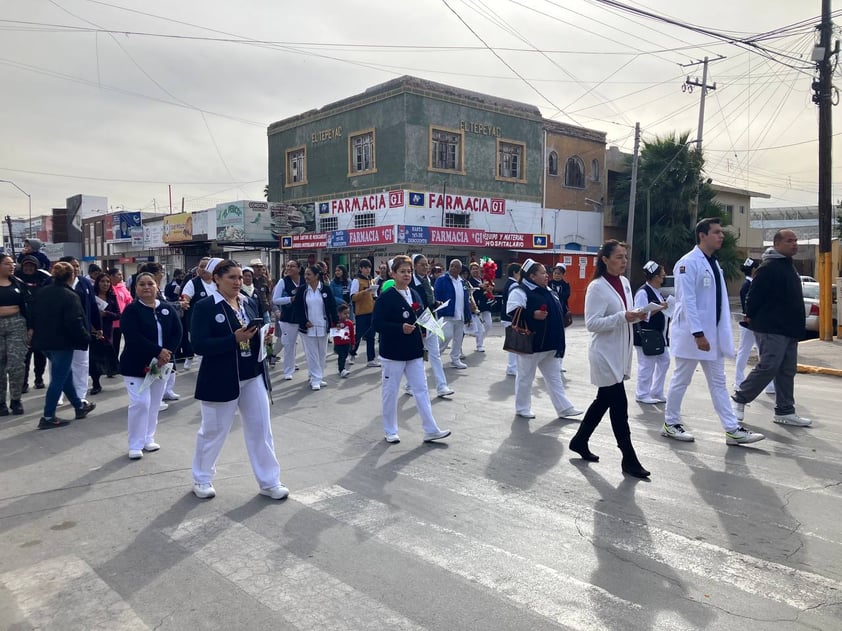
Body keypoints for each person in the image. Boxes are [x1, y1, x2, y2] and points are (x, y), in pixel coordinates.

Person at [189, 259, 288, 500]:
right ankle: (202, 478)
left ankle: (269, 481)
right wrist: (232, 339)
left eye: (240, 277)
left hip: (252, 373)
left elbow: (253, 333)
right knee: (213, 431)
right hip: (221, 377)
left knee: (261, 429)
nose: (237, 282)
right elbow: (199, 344)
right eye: (231, 277)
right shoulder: (206, 306)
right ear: (217, 279)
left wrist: (262, 338)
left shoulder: (248, 302)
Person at [663, 218, 764, 445]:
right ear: (702, 235)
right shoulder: (687, 263)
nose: (721, 236)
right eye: (717, 232)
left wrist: (713, 333)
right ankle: (670, 423)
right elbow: (687, 301)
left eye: (721, 232)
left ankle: (732, 429)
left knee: (718, 382)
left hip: (712, 336)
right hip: (693, 336)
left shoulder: (713, 263)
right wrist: (698, 334)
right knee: (682, 379)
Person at [567, 241, 651, 478]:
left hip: (620, 353)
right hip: (604, 355)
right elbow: (592, 323)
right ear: (605, 259)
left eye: (625, 257)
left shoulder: (624, 283)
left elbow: (626, 316)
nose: (624, 261)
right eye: (618, 257)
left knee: (603, 401)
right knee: (619, 406)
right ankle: (629, 457)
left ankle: (580, 440)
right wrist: (623, 316)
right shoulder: (597, 287)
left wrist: (642, 314)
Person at [732, 229, 811, 427]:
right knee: (768, 366)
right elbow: (753, 297)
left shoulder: (788, 266)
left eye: (796, 240)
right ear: (777, 244)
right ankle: (739, 399)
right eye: (789, 241)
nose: (795, 244)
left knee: (787, 370)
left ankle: (785, 411)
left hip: (789, 329)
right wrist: (752, 318)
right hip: (771, 328)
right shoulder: (768, 267)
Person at [372, 255, 451, 444]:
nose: (407, 275)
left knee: (422, 389)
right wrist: (400, 328)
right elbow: (377, 324)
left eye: (409, 271)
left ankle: (430, 429)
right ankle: (390, 429)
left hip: (414, 351)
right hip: (393, 353)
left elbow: (422, 315)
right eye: (402, 271)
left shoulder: (414, 294)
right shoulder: (386, 297)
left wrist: (431, 327)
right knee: (390, 392)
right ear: (393, 274)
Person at [505, 258, 583, 421]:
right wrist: (532, 314)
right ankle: (522, 408)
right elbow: (511, 310)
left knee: (554, 378)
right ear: (532, 276)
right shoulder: (520, 290)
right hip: (532, 344)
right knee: (526, 377)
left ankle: (564, 408)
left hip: (550, 344)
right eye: (542, 273)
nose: (547, 275)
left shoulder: (548, 290)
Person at [119, 272, 182, 459]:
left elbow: (177, 332)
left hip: (161, 365)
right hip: (135, 365)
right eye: (142, 284)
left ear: (157, 286)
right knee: (140, 403)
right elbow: (133, 336)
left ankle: (148, 438)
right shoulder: (132, 310)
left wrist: (167, 352)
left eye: (150, 284)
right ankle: (135, 444)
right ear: (136, 288)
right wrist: (157, 351)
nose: (146, 287)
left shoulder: (166, 308)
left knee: (154, 403)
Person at [29, 262, 96, 429]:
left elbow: (33, 314)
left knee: (65, 374)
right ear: (71, 276)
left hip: (44, 341)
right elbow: (75, 321)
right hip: (62, 342)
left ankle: (79, 407)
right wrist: (85, 337)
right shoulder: (69, 295)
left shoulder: (43, 292)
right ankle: (48, 416)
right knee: (59, 378)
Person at [407, 254, 454, 398]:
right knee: (415, 357)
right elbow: (412, 305)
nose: (425, 267)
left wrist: (436, 303)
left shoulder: (428, 280)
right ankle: (409, 385)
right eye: (422, 264)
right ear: (414, 266)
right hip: (417, 324)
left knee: (435, 355)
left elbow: (428, 301)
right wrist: (420, 327)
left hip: (431, 320)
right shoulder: (411, 284)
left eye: (427, 264)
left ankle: (441, 386)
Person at [59, 256, 102, 407]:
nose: (76, 268)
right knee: (60, 363)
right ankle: (59, 393)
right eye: (72, 266)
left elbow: (93, 306)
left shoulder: (84, 283)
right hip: (60, 331)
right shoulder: (54, 284)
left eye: (77, 266)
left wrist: (98, 326)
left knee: (81, 364)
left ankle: (80, 395)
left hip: (82, 330)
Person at [633, 261, 674, 404]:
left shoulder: (657, 292)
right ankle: (642, 393)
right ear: (655, 277)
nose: (664, 278)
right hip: (646, 335)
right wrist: (659, 307)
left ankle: (656, 391)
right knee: (646, 364)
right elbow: (640, 313)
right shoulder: (643, 292)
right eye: (662, 276)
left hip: (659, 336)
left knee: (665, 360)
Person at [733, 258, 775, 395]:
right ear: (753, 270)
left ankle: (768, 384)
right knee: (744, 352)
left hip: (757, 325)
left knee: (763, 354)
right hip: (749, 325)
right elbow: (749, 307)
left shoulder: (753, 283)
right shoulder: (747, 285)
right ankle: (738, 381)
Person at [293, 264, 338, 390]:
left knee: (322, 353)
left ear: (317, 276)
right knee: (312, 354)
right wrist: (304, 321)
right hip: (308, 327)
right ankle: (315, 379)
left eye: (309, 274)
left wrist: (336, 321)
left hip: (322, 326)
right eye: (305, 274)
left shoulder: (325, 289)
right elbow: (297, 308)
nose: (306, 277)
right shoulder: (302, 290)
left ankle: (318, 376)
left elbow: (332, 307)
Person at [0, 254, 30, 415]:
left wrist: (31, 327)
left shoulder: (18, 283)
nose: (12, 266)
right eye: (7, 264)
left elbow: (27, 306)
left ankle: (16, 400)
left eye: (12, 264)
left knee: (17, 364)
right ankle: (0, 403)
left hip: (17, 325)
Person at [17, 255, 51, 393]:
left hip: (40, 322)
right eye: (26, 266)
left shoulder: (43, 279)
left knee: (39, 353)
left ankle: (38, 378)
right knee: (24, 355)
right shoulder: (16, 280)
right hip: (23, 322)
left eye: (31, 266)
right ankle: (23, 382)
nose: (29, 268)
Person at [179, 257, 217, 370]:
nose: (203, 269)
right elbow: (185, 299)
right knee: (200, 344)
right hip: (197, 321)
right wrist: (184, 303)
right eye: (201, 266)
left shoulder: (217, 282)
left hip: (216, 320)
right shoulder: (192, 283)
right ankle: (197, 364)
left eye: (206, 266)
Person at [434, 259, 472, 369]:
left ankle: (455, 359)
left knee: (458, 339)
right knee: (446, 336)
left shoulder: (462, 282)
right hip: (446, 314)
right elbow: (436, 295)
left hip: (460, 315)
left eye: (456, 267)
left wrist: (468, 315)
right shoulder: (441, 280)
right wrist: (439, 309)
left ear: (460, 269)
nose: (453, 268)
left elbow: (466, 300)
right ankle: (436, 357)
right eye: (451, 266)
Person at [89, 272, 121, 395]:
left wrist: (106, 314)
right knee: (94, 359)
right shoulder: (92, 296)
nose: (105, 284)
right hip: (93, 331)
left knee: (107, 355)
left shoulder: (112, 297)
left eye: (107, 281)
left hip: (107, 331)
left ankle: (111, 370)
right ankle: (95, 383)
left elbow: (118, 314)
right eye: (102, 281)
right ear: (97, 283)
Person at [272, 258, 303, 380]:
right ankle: (288, 371)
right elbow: (275, 299)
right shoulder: (283, 282)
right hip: (288, 318)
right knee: (289, 344)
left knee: (306, 345)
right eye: (287, 266)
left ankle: (313, 373)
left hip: (303, 317)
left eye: (292, 266)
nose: (289, 268)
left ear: (299, 269)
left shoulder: (305, 280)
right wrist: (290, 299)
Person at [349, 259, 379, 367]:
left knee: (371, 336)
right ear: (361, 269)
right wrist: (364, 292)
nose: (367, 270)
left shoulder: (372, 281)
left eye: (369, 267)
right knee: (359, 335)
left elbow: (374, 296)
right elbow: (353, 297)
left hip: (371, 312)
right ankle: (351, 354)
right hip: (361, 312)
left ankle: (371, 359)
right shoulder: (357, 281)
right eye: (365, 267)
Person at [467, 262, 493, 353]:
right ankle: (479, 345)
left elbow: (490, 287)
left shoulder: (483, 279)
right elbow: (471, 291)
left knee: (488, 324)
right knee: (479, 327)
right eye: (473, 269)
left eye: (476, 268)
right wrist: (479, 287)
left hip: (485, 305)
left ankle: (481, 338)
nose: (475, 270)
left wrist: (489, 288)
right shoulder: (469, 281)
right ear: (470, 271)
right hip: (475, 305)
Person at [500, 262, 521, 377]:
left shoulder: (509, 283)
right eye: (520, 272)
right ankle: (512, 367)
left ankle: (513, 367)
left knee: (514, 343)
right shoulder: (514, 285)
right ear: (514, 273)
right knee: (514, 344)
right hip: (510, 318)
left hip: (507, 317)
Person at [109, 268, 133, 362]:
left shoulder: (122, 287)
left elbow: (129, 300)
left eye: (121, 274)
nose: (121, 276)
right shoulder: (108, 288)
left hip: (122, 320)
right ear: (111, 276)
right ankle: (111, 364)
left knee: (119, 342)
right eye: (118, 275)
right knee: (111, 344)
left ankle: (117, 362)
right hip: (111, 320)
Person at [333, 303, 355, 377]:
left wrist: (353, 343)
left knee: (345, 356)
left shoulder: (350, 323)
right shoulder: (336, 323)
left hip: (347, 343)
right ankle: (342, 370)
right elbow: (334, 334)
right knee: (342, 356)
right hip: (339, 344)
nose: (347, 315)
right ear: (339, 313)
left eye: (348, 313)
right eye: (344, 313)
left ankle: (342, 368)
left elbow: (352, 334)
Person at [249, 258, 273, 323]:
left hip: (264, 308)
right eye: (257, 267)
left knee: (267, 327)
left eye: (261, 266)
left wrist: (269, 304)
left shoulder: (265, 279)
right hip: (253, 308)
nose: (259, 268)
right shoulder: (248, 279)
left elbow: (268, 293)